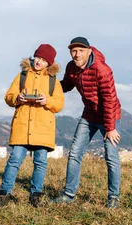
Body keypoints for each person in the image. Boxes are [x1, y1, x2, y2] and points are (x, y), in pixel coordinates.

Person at [52, 37, 122, 209]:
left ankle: (114, 197)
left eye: (80, 51)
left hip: (108, 114)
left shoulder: (102, 70)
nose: (77, 55)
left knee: (110, 156)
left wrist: (110, 128)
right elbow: (66, 85)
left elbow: (109, 99)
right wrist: (48, 85)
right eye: (73, 51)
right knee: (75, 152)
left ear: (89, 51)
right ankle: (69, 195)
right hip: (89, 115)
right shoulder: (71, 67)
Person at [0, 43, 64, 207]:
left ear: (49, 63)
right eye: (37, 58)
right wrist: (18, 98)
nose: (38, 62)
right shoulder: (23, 76)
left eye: (43, 59)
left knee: (40, 163)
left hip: (43, 128)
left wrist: (47, 101)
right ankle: (4, 194)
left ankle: (36, 196)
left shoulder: (53, 81)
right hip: (22, 126)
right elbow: (8, 97)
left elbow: (60, 104)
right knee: (14, 160)